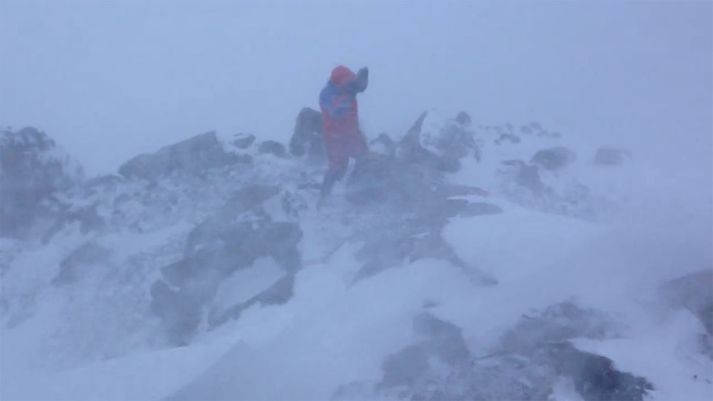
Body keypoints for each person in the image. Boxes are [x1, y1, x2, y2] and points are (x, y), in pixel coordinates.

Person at [319, 65, 369, 197]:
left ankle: (362, 190)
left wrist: (363, 79)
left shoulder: (348, 89)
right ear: (338, 82)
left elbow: (360, 87)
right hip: (334, 137)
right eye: (347, 82)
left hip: (352, 133)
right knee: (338, 167)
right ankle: (324, 197)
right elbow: (336, 111)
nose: (350, 85)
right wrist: (349, 93)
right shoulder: (327, 94)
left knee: (365, 158)